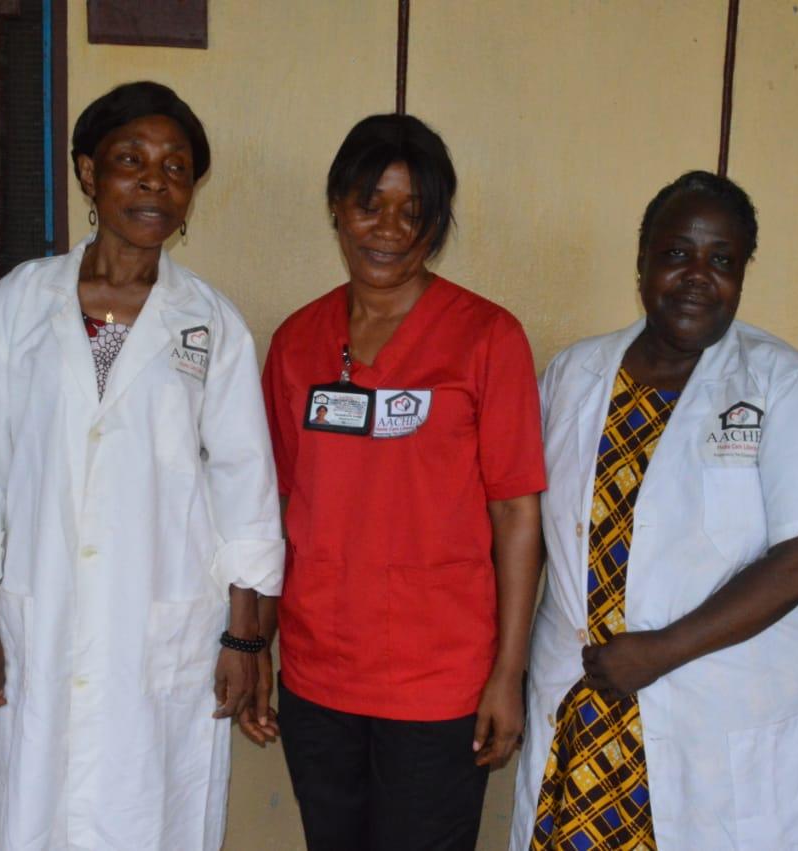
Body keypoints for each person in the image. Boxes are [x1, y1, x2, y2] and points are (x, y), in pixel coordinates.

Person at [0, 81, 283, 851]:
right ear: (89, 173)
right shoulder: (21, 302)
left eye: (176, 168)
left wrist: (246, 640)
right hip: (41, 611)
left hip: (167, 619)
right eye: (131, 160)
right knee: (42, 805)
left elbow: (245, 486)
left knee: (156, 808)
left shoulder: (210, 322)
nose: (155, 182)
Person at [509, 171, 798, 850]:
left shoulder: (784, 385)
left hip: (714, 699)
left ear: (742, 274)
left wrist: (662, 650)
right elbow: (532, 528)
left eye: (722, 260)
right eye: (677, 254)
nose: (698, 276)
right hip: (586, 705)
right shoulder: (574, 375)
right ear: (641, 261)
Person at [245, 114, 546, 850]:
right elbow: (269, 509)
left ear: (437, 228)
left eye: (413, 212)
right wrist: (256, 645)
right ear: (337, 209)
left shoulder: (487, 338)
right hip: (319, 676)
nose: (387, 227)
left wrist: (509, 673)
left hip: (439, 683)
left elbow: (516, 514)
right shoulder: (296, 342)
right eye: (368, 203)